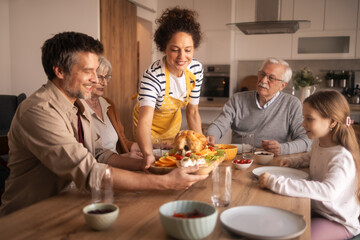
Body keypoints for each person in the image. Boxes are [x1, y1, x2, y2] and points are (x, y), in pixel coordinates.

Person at [0, 32, 207, 216]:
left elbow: (99, 154)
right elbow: (88, 170)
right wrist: (164, 182)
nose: (96, 80)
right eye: (88, 72)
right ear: (60, 71)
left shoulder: (78, 104)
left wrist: (153, 165)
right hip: (31, 216)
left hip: (74, 203)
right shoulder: (39, 111)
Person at [259, 90, 360, 240]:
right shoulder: (319, 144)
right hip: (319, 210)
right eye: (303, 118)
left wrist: (275, 182)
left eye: (309, 119)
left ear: (332, 122)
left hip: (337, 220)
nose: (302, 124)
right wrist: (293, 162)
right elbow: (312, 156)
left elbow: (328, 192)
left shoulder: (341, 157)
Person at [133, 7, 204, 166]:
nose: (182, 57)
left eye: (188, 50)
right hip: (148, 130)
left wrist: (200, 147)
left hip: (172, 127)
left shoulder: (196, 70)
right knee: (156, 165)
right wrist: (148, 153)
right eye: (174, 50)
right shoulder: (153, 76)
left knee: (175, 163)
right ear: (164, 47)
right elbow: (144, 122)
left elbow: (192, 113)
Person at [206, 57, 312, 156]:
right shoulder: (237, 99)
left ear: (282, 85)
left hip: (272, 159)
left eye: (271, 78)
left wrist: (282, 148)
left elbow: (306, 141)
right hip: (240, 157)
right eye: (262, 74)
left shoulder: (292, 104)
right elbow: (220, 124)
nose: (263, 80)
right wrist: (211, 135)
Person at [84, 56, 140, 155]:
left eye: (106, 77)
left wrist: (153, 146)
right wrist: (125, 158)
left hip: (118, 163)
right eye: (100, 77)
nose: (104, 83)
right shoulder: (79, 107)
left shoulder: (109, 104)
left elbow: (124, 142)